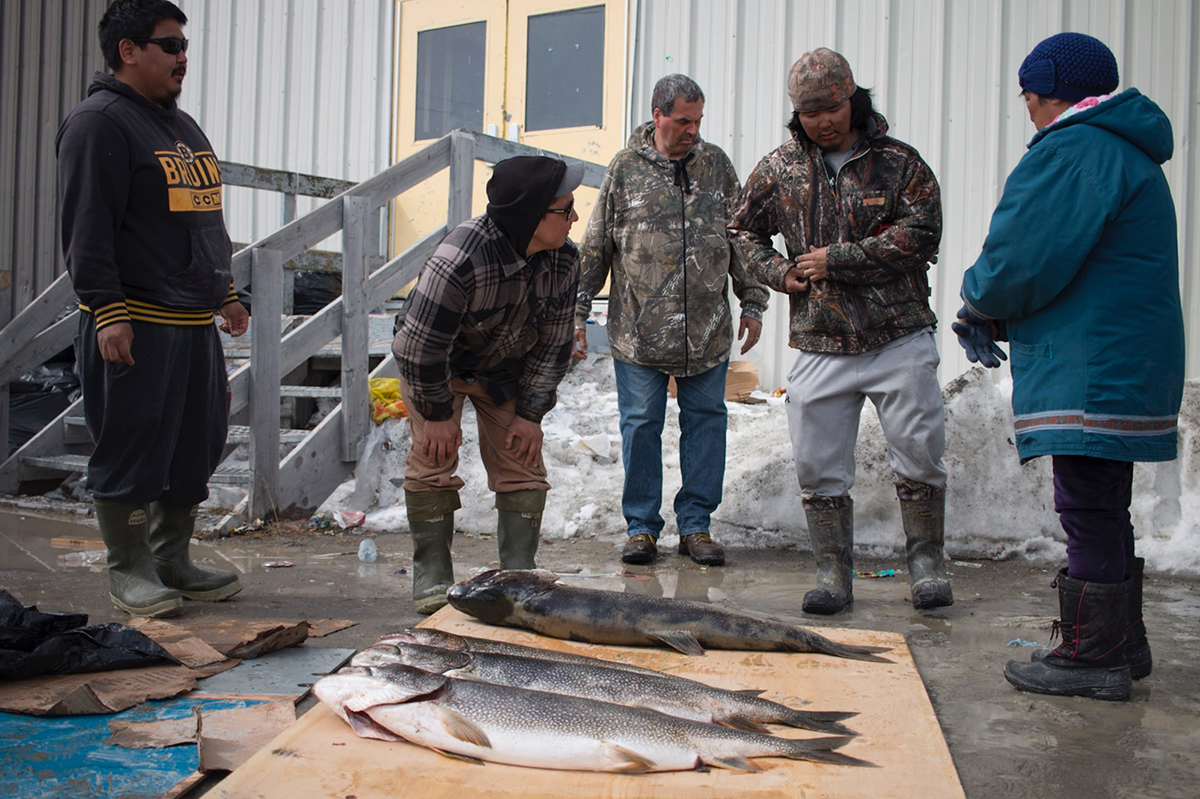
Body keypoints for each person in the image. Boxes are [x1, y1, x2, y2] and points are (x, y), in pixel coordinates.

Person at [956, 33, 1184, 701]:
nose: (1028, 112)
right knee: (1107, 504)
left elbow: (1020, 256)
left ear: (1052, 94)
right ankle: (1122, 643)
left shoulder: (1075, 151)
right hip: (1125, 359)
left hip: (1091, 366)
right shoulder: (1126, 152)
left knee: (1085, 504)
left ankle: (1091, 657)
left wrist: (978, 303)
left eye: (1029, 99)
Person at [730, 49, 950, 613]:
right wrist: (778, 272)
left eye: (830, 107)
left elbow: (922, 233)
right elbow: (739, 231)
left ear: (852, 98)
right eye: (808, 112)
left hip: (898, 334)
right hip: (821, 341)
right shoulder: (779, 169)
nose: (822, 121)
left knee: (919, 452)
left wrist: (840, 260)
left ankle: (926, 562)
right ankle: (833, 573)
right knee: (818, 465)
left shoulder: (900, 164)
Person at [57, 0, 246, 619]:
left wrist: (225, 290)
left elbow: (205, 219)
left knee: (196, 445)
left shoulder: (183, 128)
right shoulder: (99, 123)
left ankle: (172, 559)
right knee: (133, 446)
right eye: (169, 45)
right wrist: (107, 310)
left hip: (193, 323)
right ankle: (129, 569)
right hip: (136, 320)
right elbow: (88, 228)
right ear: (128, 50)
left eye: (183, 46)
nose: (182, 57)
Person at [574, 74, 769, 568]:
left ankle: (696, 525)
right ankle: (641, 527)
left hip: (705, 331)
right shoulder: (624, 169)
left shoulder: (716, 166)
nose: (692, 131)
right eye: (683, 121)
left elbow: (742, 238)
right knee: (640, 425)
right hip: (638, 332)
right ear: (657, 115)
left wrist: (752, 301)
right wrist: (577, 312)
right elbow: (595, 246)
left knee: (705, 424)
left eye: (698, 121)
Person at [392, 155, 582, 614]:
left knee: (524, 461)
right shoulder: (461, 257)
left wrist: (531, 414)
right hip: (439, 367)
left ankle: (518, 575)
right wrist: (437, 415)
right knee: (432, 460)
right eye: (564, 209)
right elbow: (418, 348)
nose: (574, 218)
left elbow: (554, 345)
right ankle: (433, 574)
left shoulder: (564, 260)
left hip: (505, 368)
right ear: (530, 214)